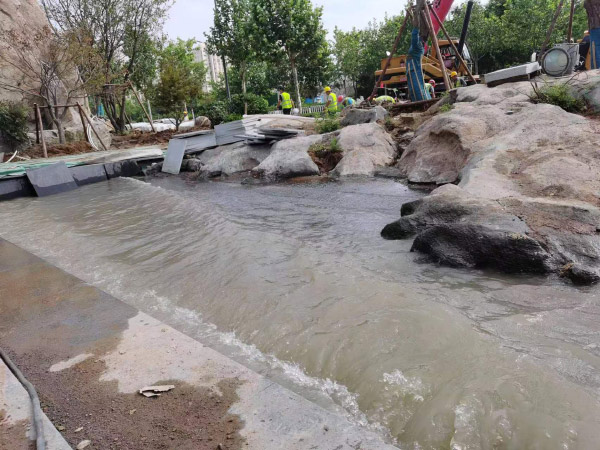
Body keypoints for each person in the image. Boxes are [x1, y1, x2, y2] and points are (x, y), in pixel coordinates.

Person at [585, 0, 600, 68]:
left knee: (595, 51)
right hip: (594, 27)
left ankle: (596, 70)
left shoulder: (587, 2)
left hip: (594, 27)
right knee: (595, 51)